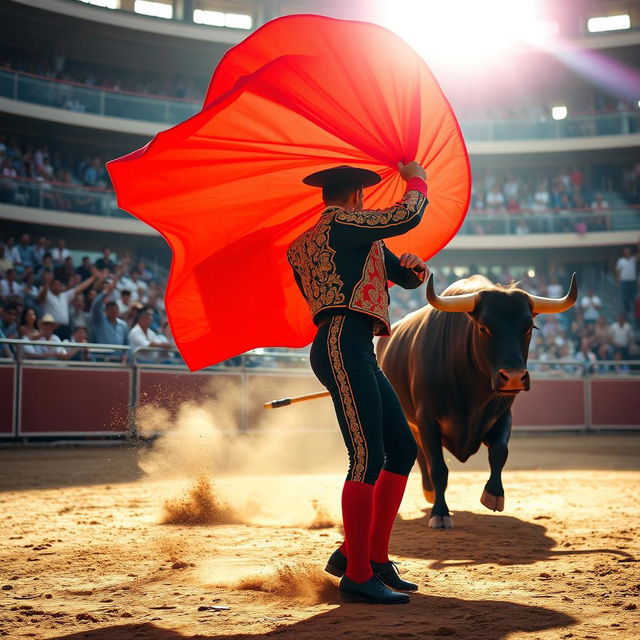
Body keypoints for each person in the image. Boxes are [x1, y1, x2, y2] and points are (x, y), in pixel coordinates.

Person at [287, 162, 428, 604]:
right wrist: (416, 178)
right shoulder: (345, 224)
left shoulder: (308, 245)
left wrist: (413, 268)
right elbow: (408, 214)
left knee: (401, 449)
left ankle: (370, 557)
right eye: (365, 197)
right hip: (342, 344)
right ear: (357, 198)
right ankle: (357, 571)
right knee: (367, 454)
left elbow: (401, 277)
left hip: (353, 346)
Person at [37, 268, 98, 340]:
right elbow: (40, 298)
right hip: (52, 328)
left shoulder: (64, 296)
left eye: (59, 285)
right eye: (55, 284)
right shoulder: (47, 294)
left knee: (65, 349)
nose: (57, 286)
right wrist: (47, 283)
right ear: (51, 286)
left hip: (65, 328)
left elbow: (79, 288)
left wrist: (93, 278)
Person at [90, 278, 129, 358]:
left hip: (118, 361)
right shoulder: (100, 321)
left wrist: (126, 355)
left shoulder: (123, 325)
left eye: (115, 310)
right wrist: (105, 292)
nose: (113, 313)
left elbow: (126, 344)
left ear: (118, 311)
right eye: (111, 311)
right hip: (102, 359)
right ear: (106, 311)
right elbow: (96, 305)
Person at [616, 245, 638, 315]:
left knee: (633, 296)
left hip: (632, 281)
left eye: (628, 252)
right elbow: (618, 271)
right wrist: (618, 280)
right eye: (626, 252)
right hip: (624, 280)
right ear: (624, 253)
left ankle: (635, 309)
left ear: (630, 253)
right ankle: (627, 310)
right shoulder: (620, 261)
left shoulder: (633, 259)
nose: (627, 253)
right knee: (625, 296)